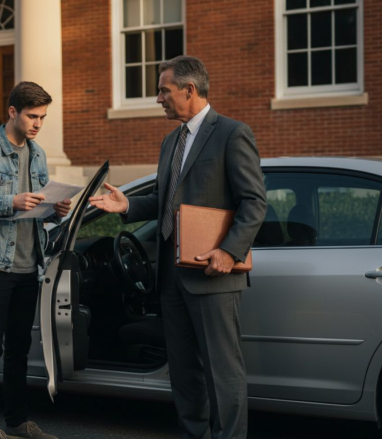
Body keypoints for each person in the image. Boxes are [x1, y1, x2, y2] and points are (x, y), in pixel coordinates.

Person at [89, 56, 266, 439]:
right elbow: (164, 200)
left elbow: (254, 202)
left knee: (223, 373)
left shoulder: (232, 134)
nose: (158, 99)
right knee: (183, 372)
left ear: (189, 90)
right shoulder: (172, 140)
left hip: (213, 275)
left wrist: (229, 251)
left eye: (163, 90)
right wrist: (128, 206)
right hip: (171, 280)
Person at [0, 81, 71, 439]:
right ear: (12, 112)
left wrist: (56, 210)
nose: (38, 123)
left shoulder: (38, 154)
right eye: (32, 116)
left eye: (42, 117)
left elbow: (37, 207)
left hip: (28, 264)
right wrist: (10, 202)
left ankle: (18, 421)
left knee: (20, 346)